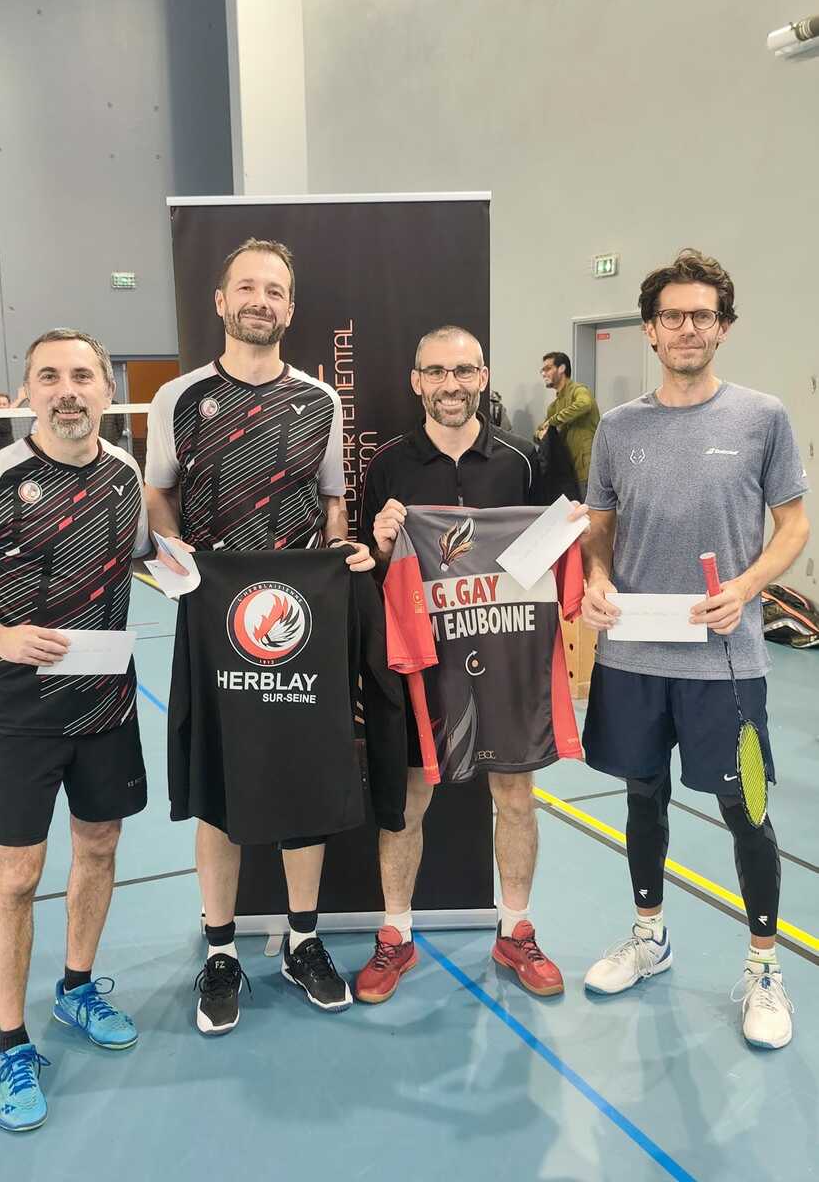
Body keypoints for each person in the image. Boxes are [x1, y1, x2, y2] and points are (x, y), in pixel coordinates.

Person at [0, 329, 151, 1131]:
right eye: (49, 377)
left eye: (82, 375)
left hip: (108, 703)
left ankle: (77, 987)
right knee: (16, 875)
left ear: (106, 389)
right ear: (27, 393)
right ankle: (12, 1043)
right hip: (21, 714)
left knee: (100, 847)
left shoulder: (124, 474)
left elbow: (141, 554)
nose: (67, 390)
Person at [144, 237, 375, 1034]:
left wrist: (339, 559)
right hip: (215, 622)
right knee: (220, 784)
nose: (260, 301)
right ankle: (220, 950)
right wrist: (182, 560)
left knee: (305, 778)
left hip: (300, 620)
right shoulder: (177, 398)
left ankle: (303, 942)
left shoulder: (320, 401)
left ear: (290, 308)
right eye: (247, 287)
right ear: (221, 301)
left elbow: (332, 502)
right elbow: (158, 495)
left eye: (274, 291)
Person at [580, 248, 809, 1049]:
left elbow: (793, 527)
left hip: (726, 661)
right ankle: (650, 937)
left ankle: (764, 968)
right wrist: (597, 580)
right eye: (672, 316)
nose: (687, 328)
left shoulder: (762, 417)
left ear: (724, 327)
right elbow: (598, 530)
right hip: (635, 658)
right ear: (649, 329)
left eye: (702, 315)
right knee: (642, 801)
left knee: (747, 813)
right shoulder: (618, 428)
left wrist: (746, 587)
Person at [355, 324, 585, 1004]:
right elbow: (370, 570)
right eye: (435, 372)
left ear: (482, 377)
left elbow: (560, 542)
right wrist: (383, 542)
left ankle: (515, 930)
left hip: (507, 653)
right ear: (415, 382)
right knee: (408, 800)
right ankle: (396, 934)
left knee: (515, 795)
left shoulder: (525, 459)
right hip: (422, 659)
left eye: (463, 371)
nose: (449, 385)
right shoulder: (387, 465)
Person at [535, 352, 600, 493]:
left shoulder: (578, 390)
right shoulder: (554, 406)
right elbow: (540, 431)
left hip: (587, 469)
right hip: (568, 471)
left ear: (562, 368)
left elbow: (585, 403)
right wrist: (540, 433)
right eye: (542, 370)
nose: (544, 374)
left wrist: (554, 420)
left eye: (548, 368)